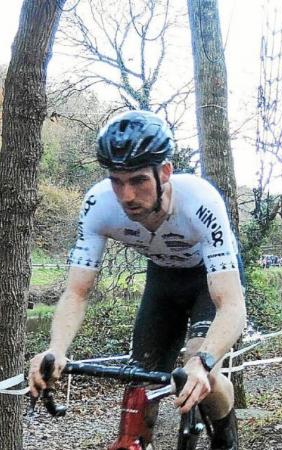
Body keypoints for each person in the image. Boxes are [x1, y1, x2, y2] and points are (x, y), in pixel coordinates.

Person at [27, 110, 246, 450]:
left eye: (139, 180)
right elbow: (77, 291)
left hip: (209, 279)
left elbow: (231, 304)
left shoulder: (201, 202)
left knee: (199, 364)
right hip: (163, 280)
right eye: (117, 180)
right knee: (138, 378)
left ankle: (224, 432)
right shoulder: (99, 204)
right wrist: (56, 349)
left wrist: (202, 362)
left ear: (166, 173)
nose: (126, 195)